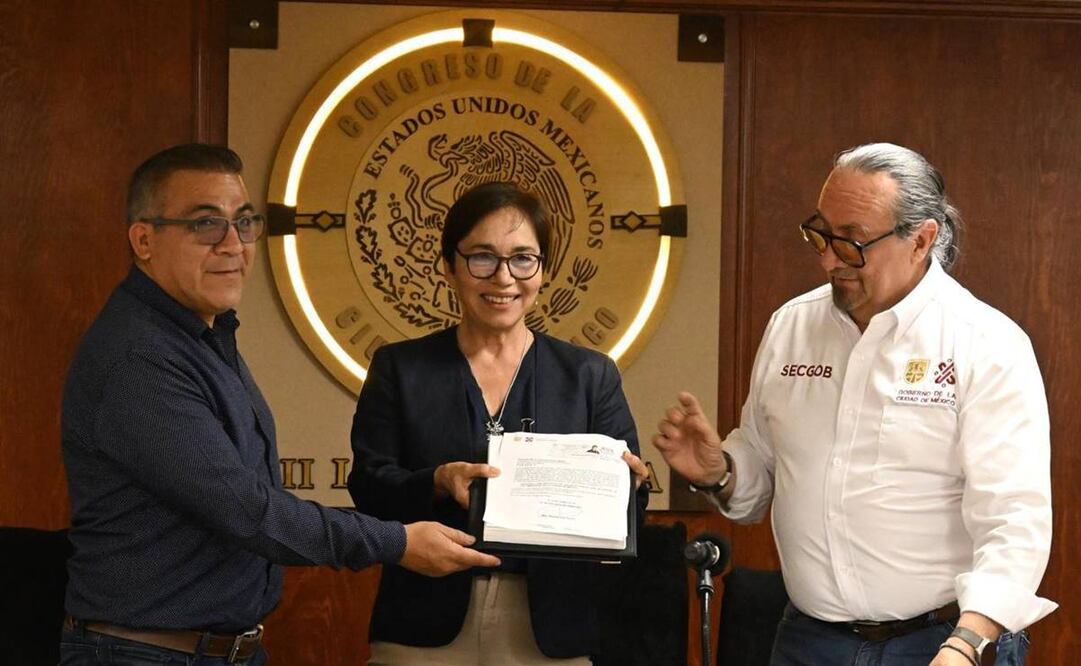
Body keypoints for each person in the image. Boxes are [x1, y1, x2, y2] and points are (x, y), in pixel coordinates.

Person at [59, 144, 500, 665]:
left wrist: (424, 489)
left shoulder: (203, 335)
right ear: (144, 239)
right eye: (206, 224)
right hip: (145, 655)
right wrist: (398, 543)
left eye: (244, 223)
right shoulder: (141, 357)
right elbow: (247, 511)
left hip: (213, 651)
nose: (233, 245)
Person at [653, 143, 1055, 666]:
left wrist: (968, 643)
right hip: (810, 640)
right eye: (820, 233)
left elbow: (1014, 520)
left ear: (922, 239)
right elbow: (759, 475)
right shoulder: (792, 327)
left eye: (852, 243)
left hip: (943, 640)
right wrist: (718, 471)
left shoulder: (986, 343)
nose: (827, 258)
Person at [348, 181, 650, 665]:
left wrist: (627, 487)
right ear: (449, 265)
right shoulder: (400, 368)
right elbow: (368, 486)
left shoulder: (590, 375)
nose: (504, 278)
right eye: (482, 257)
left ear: (543, 270)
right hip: (423, 621)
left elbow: (631, 512)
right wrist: (438, 481)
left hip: (550, 627)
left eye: (522, 259)